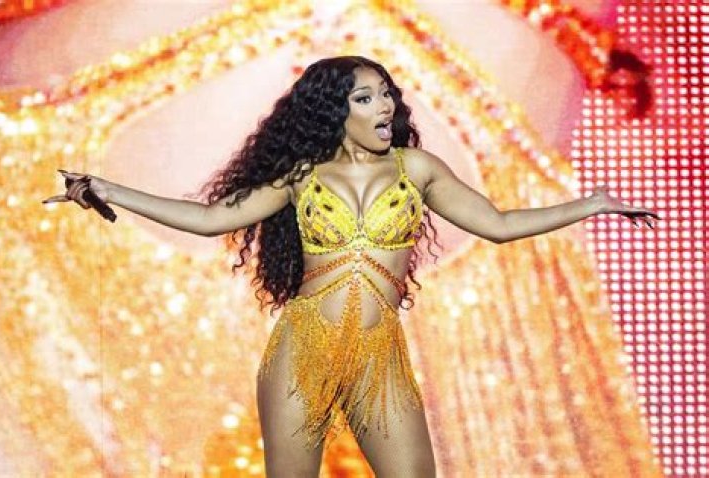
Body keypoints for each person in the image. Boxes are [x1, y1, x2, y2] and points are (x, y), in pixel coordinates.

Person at [43, 56, 660, 478]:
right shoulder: (301, 175)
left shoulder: (417, 170)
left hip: (377, 353)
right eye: (366, 97)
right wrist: (107, 189)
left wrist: (591, 205)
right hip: (302, 347)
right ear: (333, 112)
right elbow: (208, 219)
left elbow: (497, 225)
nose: (384, 105)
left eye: (387, 93)